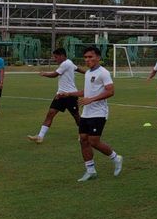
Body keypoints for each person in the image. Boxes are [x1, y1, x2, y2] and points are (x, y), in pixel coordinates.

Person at [58, 46, 123, 182]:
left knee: (94, 141)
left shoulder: (103, 72)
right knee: (83, 140)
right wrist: (68, 93)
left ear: (98, 58)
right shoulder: (88, 73)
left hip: (99, 112)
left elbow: (110, 91)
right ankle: (90, 170)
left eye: (90, 57)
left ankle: (116, 158)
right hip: (86, 113)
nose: (87, 60)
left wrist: (91, 99)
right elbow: (86, 91)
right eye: (86, 57)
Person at [29, 48, 86, 143]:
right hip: (60, 95)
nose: (55, 59)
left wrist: (44, 74)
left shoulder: (66, 64)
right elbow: (78, 69)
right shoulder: (69, 63)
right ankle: (40, 136)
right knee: (50, 113)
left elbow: (55, 75)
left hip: (70, 95)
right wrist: (87, 73)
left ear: (62, 55)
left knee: (76, 116)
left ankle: (83, 133)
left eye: (56, 57)